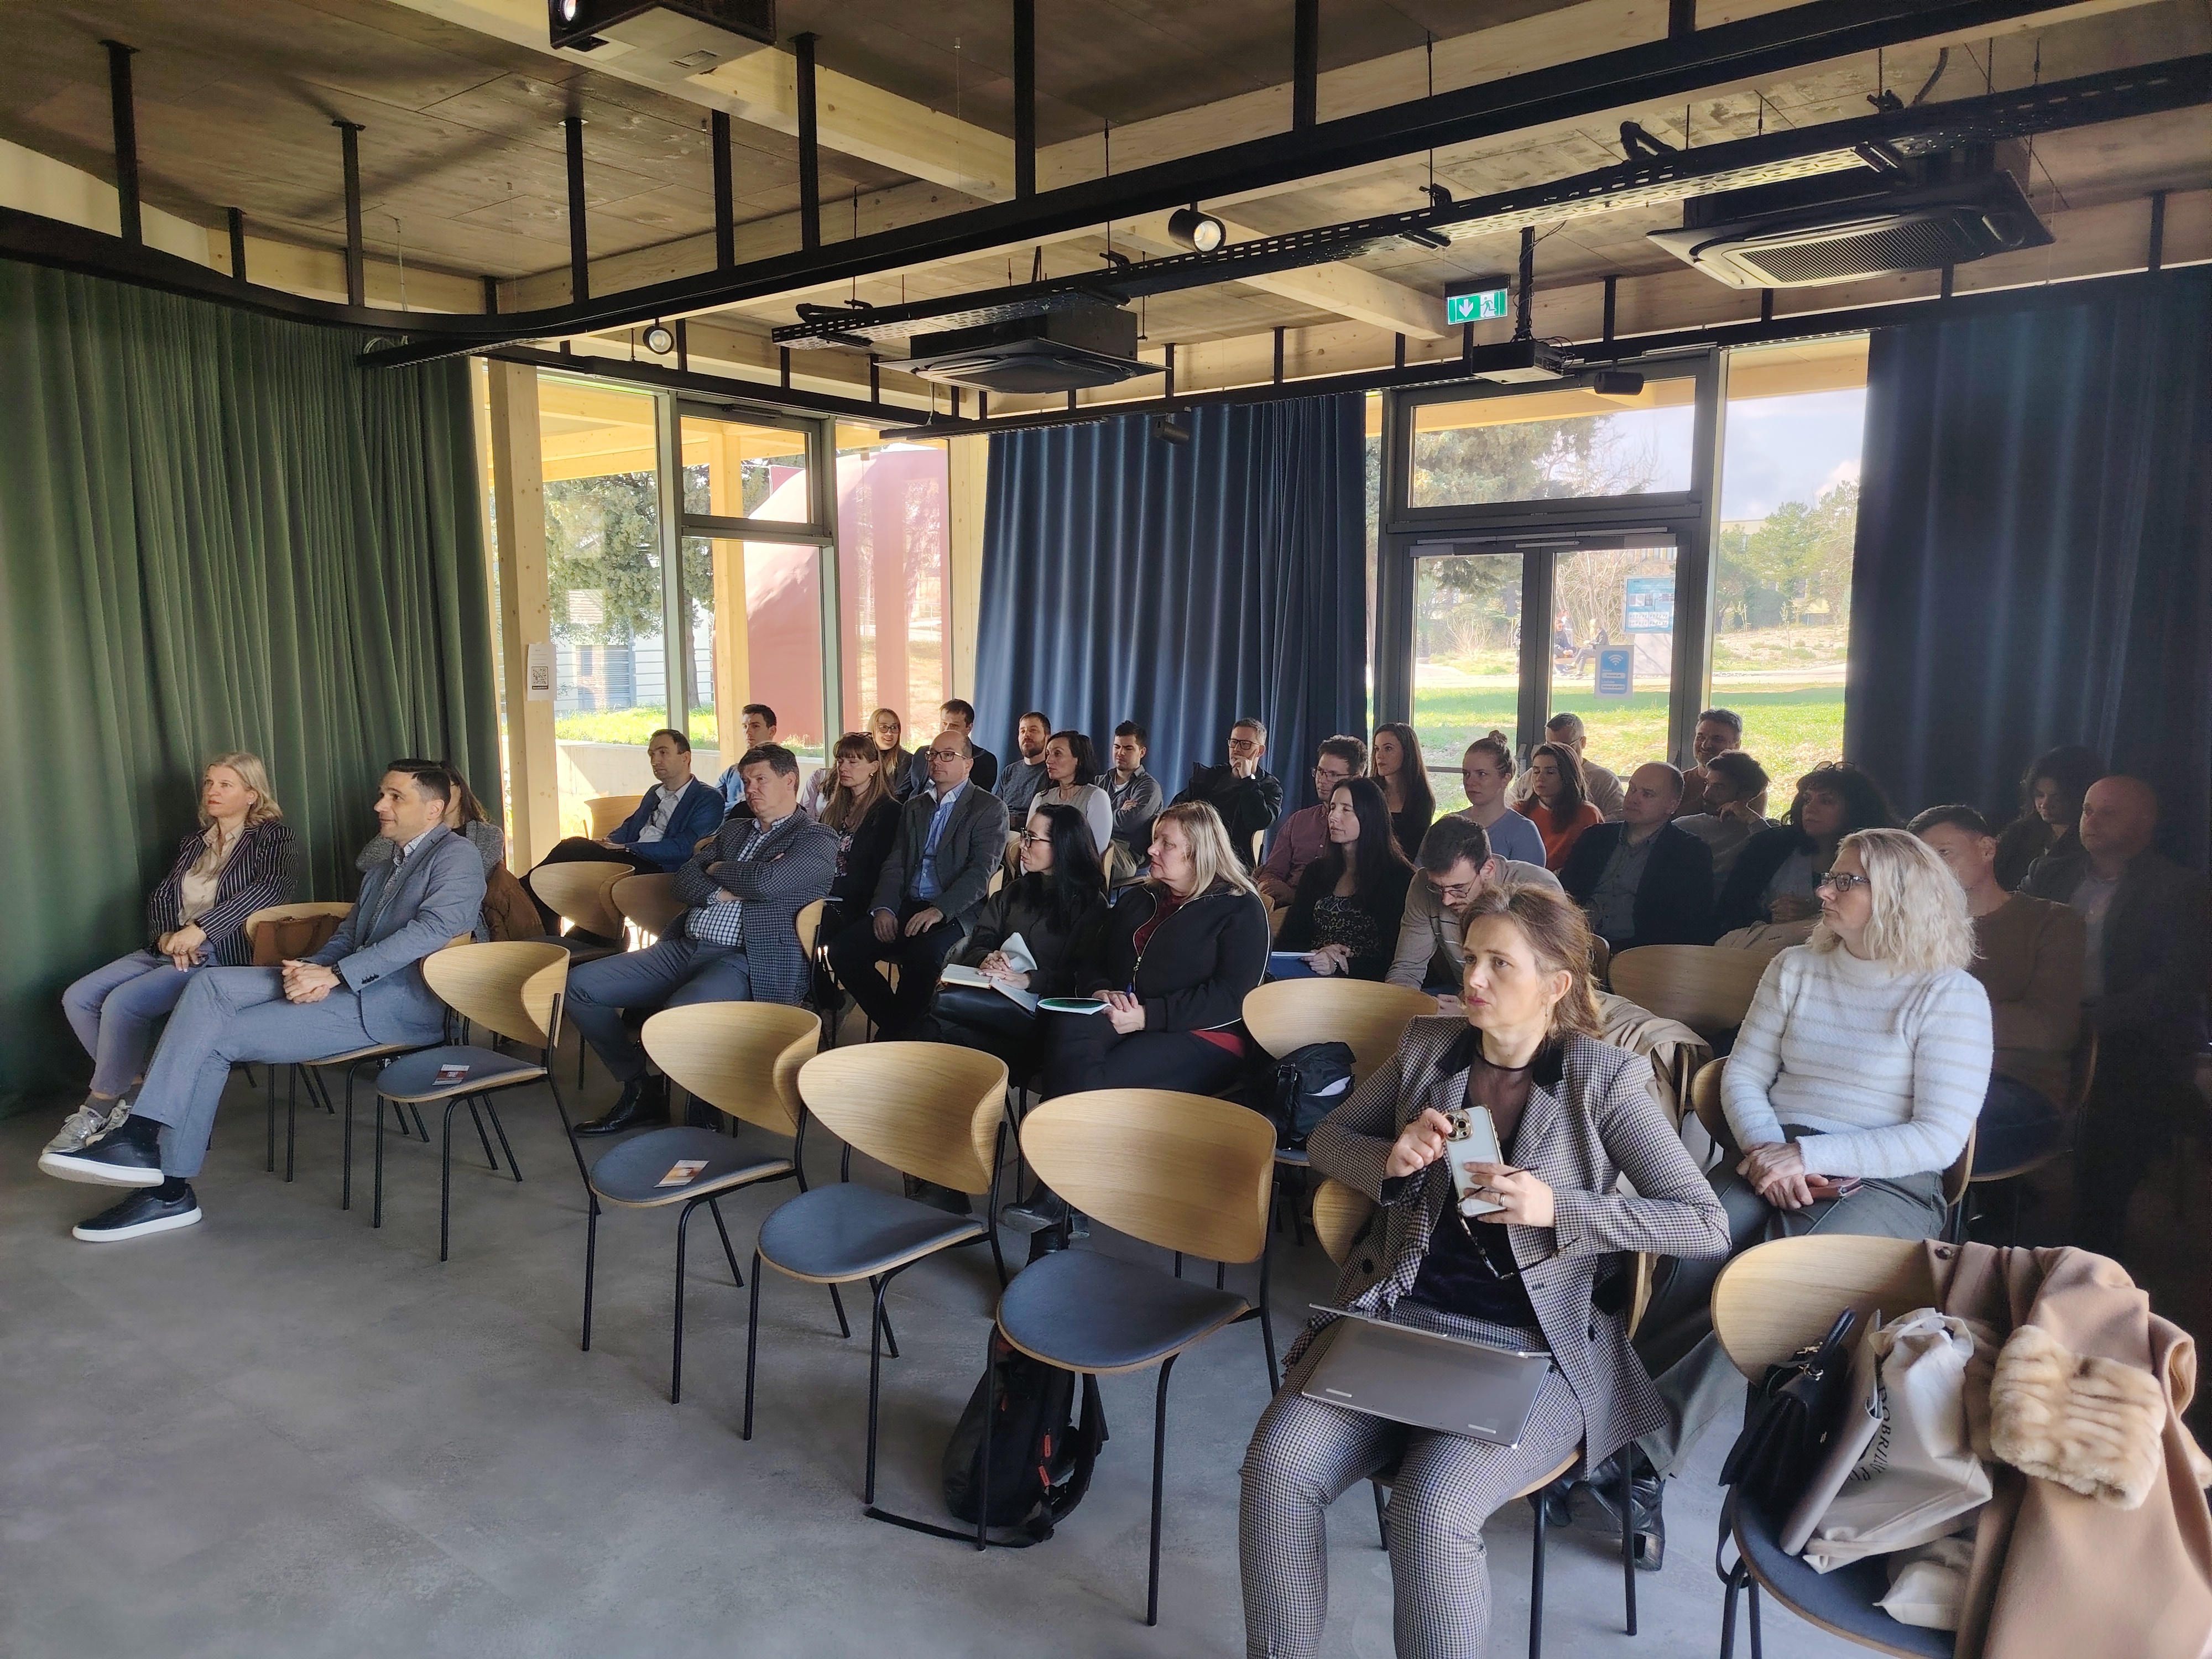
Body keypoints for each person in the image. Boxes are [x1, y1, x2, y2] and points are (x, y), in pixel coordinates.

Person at [1240, 883, 1729, 1659]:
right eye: (1470, 958)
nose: (1473, 978)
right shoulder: (1427, 1050)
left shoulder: (1603, 1081)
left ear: (1556, 984)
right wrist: (1390, 1158)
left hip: (1535, 1349)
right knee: (1276, 1466)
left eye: (1500, 964)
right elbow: (1329, 1141)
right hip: (1401, 1321)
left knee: (1431, 1510)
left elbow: (1702, 1223)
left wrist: (1557, 1206)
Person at [1632, 828, 1991, 1522]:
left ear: (1900, 897)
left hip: (1888, 1178)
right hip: (1773, 1151)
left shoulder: (1950, 995)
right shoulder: (1795, 966)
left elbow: (1939, 1138)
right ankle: (1613, 1429)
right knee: (1692, 1241)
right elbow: (1742, 1075)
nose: (1823, 889)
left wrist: (1811, 1158)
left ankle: (1632, 1459)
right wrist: (1770, 1151)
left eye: (1845, 881)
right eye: (1830, 875)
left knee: (1770, 1280)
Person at [40, 761, 489, 1240]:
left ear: (433, 809)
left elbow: (435, 929)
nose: (380, 804)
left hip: (389, 1007)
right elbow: (349, 934)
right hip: (343, 983)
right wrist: (309, 967)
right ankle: (142, 1140)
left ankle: (166, 1186)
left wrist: (335, 975)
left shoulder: (456, 855)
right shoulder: (385, 865)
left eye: (395, 797)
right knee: (208, 985)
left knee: (215, 1041)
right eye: (383, 793)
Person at [566, 745, 838, 1136]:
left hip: (749, 959)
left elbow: (768, 883)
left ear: (790, 781)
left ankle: (704, 1098)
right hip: (685, 947)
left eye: (761, 779)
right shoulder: (734, 829)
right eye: (746, 781)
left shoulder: (816, 837)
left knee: (680, 1015)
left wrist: (717, 867)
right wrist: (729, 881)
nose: (751, 789)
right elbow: (683, 882)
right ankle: (641, 1089)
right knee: (579, 986)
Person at [48, 754, 298, 1160]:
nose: (213, 791)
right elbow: (165, 895)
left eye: (226, 785)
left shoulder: (273, 837)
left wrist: (203, 929)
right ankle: (138, 1093)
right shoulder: (194, 842)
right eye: (209, 783)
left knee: (123, 1003)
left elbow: (271, 888)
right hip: (172, 947)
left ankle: (98, 1108)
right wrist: (166, 936)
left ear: (252, 795)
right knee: (79, 997)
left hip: (223, 953)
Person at [2022, 777, 2212, 1258]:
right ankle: (2005, 1213)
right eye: (2088, 810)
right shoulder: (2050, 872)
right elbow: (2013, 941)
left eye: (2108, 813)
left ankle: (2092, 1250)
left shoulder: (2181, 889)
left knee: (2113, 1106)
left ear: (2145, 822)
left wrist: (2089, 1024)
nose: (2091, 821)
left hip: (2132, 1034)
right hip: (2048, 1022)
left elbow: (2174, 984)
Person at [1037, 801, 1269, 1105]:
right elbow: (1094, 959)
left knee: (1097, 1084)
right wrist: (1100, 990)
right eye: (1155, 839)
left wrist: (1148, 1017)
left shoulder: (1240, 908)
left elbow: (1232, 997)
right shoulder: (1138, 898)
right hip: (1125, 1013)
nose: (1151, 850)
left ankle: (1058, 1128)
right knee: (1066, 1033)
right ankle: (1055, 1129)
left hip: (1204, 1031)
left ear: (1200, 853)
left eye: (1166, 844)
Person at [1911, 805, 2085, 1171]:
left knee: (1921, 1130)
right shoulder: (1916, 929)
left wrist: (1931, 1017)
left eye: (1944, 853)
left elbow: (2050, 1029)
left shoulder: (2052, 921)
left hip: (2016, 1082)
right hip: (1922, 1076)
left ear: (1987, 849)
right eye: (1923, 860)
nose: (1934, 869)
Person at [826, 731, 1010, 1039]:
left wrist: (939, 910)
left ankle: (895, 1036)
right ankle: (902, 1032)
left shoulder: (989, 808)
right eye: (932, 755)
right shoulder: (915, 806)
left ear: (968, 764)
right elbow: (896, 863)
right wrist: (884, 908)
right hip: (907, 904)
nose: (936, 761)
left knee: (922, 957)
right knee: (844, 950)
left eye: (947, 755)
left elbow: (980, 873)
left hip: (955, 909)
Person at [925, 802, 1111, 1079]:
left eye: (1032, 838)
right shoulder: (1016, 891)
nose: (1021, 845)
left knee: (940, 1020)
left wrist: (1029, 980)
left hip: (1043, 1009)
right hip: (995, 991)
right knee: (937, 1023)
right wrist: (987, 957)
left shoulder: (1091, 906)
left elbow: (1082, 978)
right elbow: (982, 937)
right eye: (1024, 835)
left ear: (1062, 846)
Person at [526, 728, 724, 932]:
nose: (655, 761)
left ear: (685, 757)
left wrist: (627, 848)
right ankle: (545, 924)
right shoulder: (655, 792)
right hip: (632, 858)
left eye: (663, 753)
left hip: (661, 868)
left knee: (572, 848)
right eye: (651, 755)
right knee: (561, 873)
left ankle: (522, 894)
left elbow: (685, 848)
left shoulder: (708, 798)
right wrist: (607, 842)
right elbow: (630, 826)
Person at [1384, 815, 1561, 1011]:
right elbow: (1407, 970)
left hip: (1525, 1006)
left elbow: (1550, 988)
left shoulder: (1537, 888)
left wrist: (1467, 1013)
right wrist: (1402, 1009)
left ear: (1488, 869)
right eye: (1438, 888)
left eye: (1459, 888)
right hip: (1466, 995)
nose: (1446, 900)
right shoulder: (1423, 886)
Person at [1713, 761, 1897, 937]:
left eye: (1826, 801)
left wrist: (1814, 914)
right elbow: (1729, 915)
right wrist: (1771, 917)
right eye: (1807, 800)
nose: (1810, 809)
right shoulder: (1769, 847)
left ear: (1856, 810)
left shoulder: (1881, 859)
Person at [1558, 763, 1714, 952]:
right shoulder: (1595, 837)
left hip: (1642, 953)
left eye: (1647, 794)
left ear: (1672, 805)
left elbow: (1688, 925)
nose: (1633, 799)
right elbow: (1565, 893)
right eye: (1632, 789)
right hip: (1576, 942)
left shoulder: (1689, 853)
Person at [1274, 778, 1417, 982]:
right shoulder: (1316, 872)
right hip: (1311, 980)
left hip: (1368, 986)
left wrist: (1339, 964)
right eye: (1333, 808)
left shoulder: (1399, 878)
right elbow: (1288, 942)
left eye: (1346, 810)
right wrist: (1318, 954)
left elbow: (1397, 960)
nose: (1333, 817)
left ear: (1369, 816)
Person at [1256, 735, 1366, 906]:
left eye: (1333, 774)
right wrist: (1269, 886)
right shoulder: (1299, 820)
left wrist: (1295, 896)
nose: (1322, 780)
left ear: (1356, 778)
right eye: (1320, 771)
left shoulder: (1361, 826)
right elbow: (1272, 870)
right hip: (1281, 905)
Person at [815, 731, 903, 945]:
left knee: (814, 929)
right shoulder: (833, 810)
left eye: (853, 762)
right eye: (840, 761)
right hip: (824, 895)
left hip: (858, 902)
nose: (843, 768)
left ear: (874, 767)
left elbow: (877, 872)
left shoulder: (889, 812)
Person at [1172, 717, 1283, 870]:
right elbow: (1177, 808)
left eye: (1245, 744)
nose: (1236, 749)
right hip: (1197, 855)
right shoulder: (1211, 776)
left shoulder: (1270, 787)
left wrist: (1248, 780)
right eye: (1234, 742)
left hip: (1235, 863)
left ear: (1260, 751)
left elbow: (1259, 822)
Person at [1992, 744, 2105, 893]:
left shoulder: (2090, 844)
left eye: (2058, 798)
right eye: (2039, 795)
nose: (2045, 805)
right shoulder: (2020, 832)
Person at [1668, 749, 1769, 891]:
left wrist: (1752, 818)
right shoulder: (1683, 827)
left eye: (1718, 788)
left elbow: (1773, 855)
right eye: (1707, 784)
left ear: (1745, 795)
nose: (1706, 794)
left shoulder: (1761, 831)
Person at [1450, 733, 1547, 869]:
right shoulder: (1449, 825)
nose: (1470, 781)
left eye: (1481, 774)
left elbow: (1530, 882)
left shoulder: (1524, 833)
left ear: (1505, 779)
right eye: (1466, 774)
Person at [1512, 712, 1625, 821]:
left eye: (1564, 746)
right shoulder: (1532, 775)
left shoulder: (1605, 780)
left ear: (1583, 742)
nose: (1557, 752)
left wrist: (1588, 824)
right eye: (1550, 746)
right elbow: (1509, 804)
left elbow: (1619, 817)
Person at [1027, 729, 1114, 858]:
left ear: (1078, 760)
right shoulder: (1041, 798)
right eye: (1048, 754)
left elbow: (1095, 852)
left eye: (1058, 754)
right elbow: (1028, 843)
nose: (1049, 760)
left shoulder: (1097, 797)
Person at [1520, 740, 1602, 872]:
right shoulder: (1520, 811)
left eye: (1550, 772)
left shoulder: (1588, 814)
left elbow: (1594, 863)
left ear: (1567, 776)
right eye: (1536, 771)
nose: (1540, 778)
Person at [1674, 708, 1767, 819]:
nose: (1705, 745)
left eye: (1717, 739)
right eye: (1700, 737)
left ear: (1736, 746)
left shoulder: (1749, 789)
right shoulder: (1676, 783)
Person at [901, 698, 998, 797]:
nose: (947, 729)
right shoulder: (922, 753)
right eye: (944, 723)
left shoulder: (984, 760)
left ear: (969, 728)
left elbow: (980, 800)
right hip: (914, 805)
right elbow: (903, 793)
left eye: (954, 725)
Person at [1370, 722, 1435, 864]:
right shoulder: (1368, 791)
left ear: (1407, 752)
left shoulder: (1422, 799)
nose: (1379, 755)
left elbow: (1413, 851)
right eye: (1376, 749)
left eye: (1388, 749)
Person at [1105, 720, 1165, 859]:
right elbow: (1082, 815)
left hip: (1126, 854)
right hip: (1097, 844)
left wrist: (1098, 816)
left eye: (1128, 748)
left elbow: (1126, 824)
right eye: (1117, 747)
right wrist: (1119, 812)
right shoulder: (1100, 781)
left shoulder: (1149, 787)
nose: (1120, 753)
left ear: (1142, 752)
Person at [713, 705, 779, 808]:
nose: (748, 732)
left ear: (772, 731)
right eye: (745, 727)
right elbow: (712, 804)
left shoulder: (781, 768)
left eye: (755, 726)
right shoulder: (731, 773)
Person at [993, 709, 1052, 818]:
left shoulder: (1052, 771)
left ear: (1047, 737)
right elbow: (997, 807)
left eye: (1033, 730)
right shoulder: (1009, 771)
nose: (1027, 735)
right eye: (1022, 731)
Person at [866, 707, 909, 794]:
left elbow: (901, 796)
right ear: (872, 729)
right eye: (883, 727)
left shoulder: (906, 760)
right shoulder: (861, 757)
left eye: (894, 727)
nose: (889, 733)